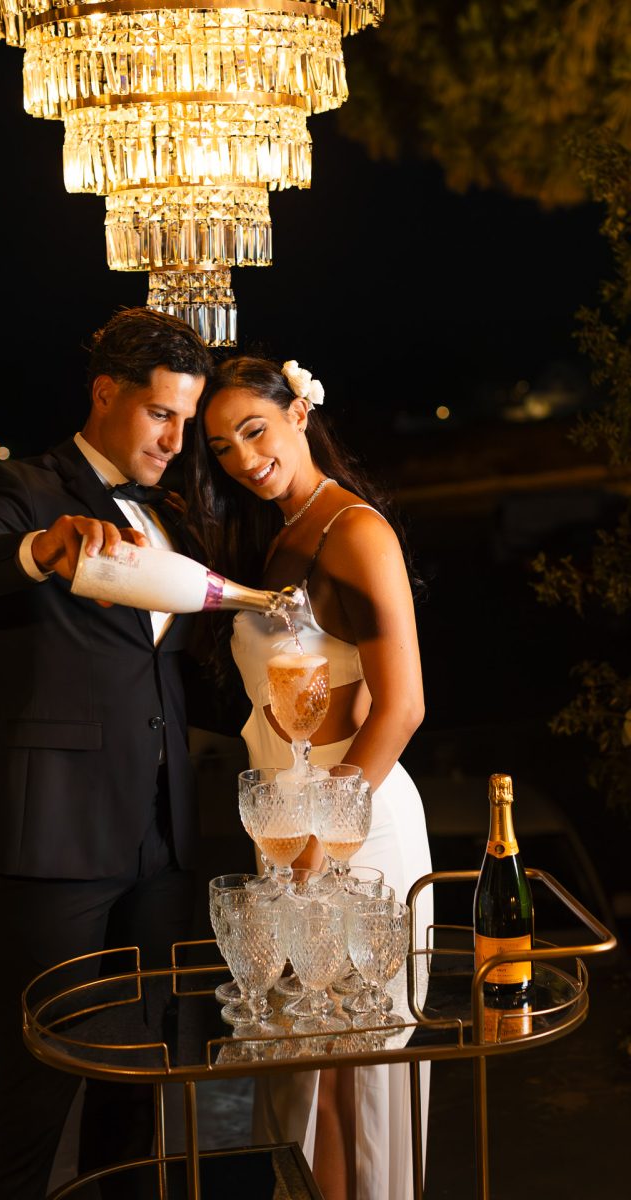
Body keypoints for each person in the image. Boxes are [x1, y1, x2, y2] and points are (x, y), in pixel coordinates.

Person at [0, 307, 215, 1200]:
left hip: (162, 846)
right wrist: (35, 549)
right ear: (106, 394)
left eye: (188, 421)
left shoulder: (176, 510)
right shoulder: (25, 488)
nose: (177, 440)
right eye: (161, 415)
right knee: (33, 1095)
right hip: (54, 843)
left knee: (138, 1092)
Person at [187, 355, 434, 1200]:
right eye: (221, 447)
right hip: (288, 830)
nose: (243, 458)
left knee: (356, 1073)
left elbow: (401, 708)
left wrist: (324, 844)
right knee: (300, 1075)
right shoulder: (282, 533)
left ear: (300, 411)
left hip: (354, 831)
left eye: (255, 431)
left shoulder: (356, 531)